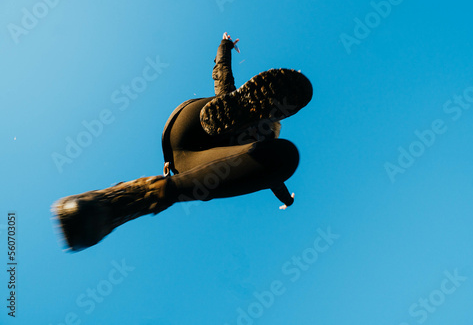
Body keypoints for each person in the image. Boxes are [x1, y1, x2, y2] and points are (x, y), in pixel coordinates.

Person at [53, 33, 313, 252]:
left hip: (186, 134)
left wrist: (224, 46)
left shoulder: (248, 135)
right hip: (189, 145)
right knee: (278, 154)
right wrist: (286, 199)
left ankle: (102, 207)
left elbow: (222, 76)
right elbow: (274, 176)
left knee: (265, 141)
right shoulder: (254, 132)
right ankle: (136, 198)